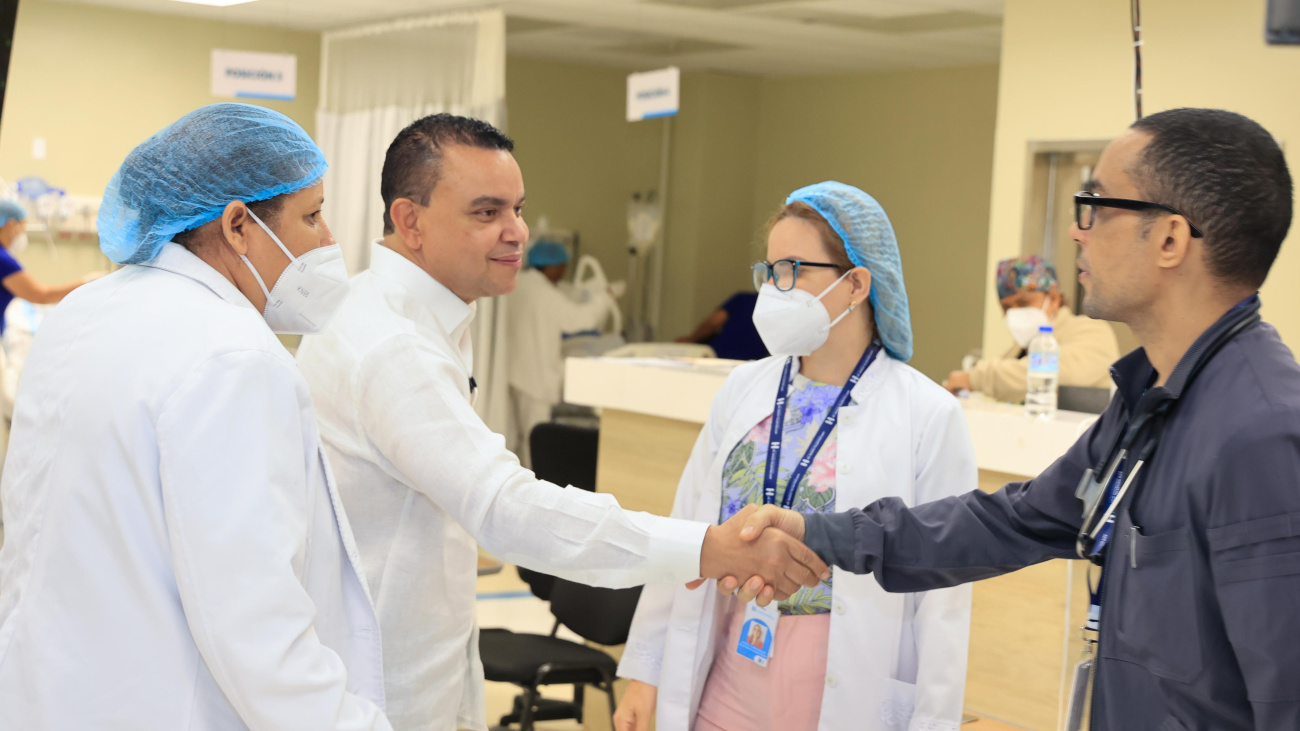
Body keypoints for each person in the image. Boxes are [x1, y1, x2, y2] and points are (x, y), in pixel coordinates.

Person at [732, 109, 1300, 730]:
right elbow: (1010, 522)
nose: (1077, 232)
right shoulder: (1149, 402)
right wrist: (819, 532)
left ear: (1170, 239)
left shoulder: (1261, 434)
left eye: (1096, 206)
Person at [294, 113, 827, 731]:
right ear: (410, 221)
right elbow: (505, 509)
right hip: (384, 694)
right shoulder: (393, 345)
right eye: (487, 212)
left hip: (403, 669)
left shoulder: (396, 314)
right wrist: (707, 548)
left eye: (518, 209)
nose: (517, 231)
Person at [0, 104, 393, 729]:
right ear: (238, 225)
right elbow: (255, 626)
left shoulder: (82, 312)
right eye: (312, 215)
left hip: (43, 696)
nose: (328, 241)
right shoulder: (233, 356)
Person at [614, 183, 974, 731]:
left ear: (856, 284)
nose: (773, 289)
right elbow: (686, 530)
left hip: (842, 683)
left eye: (792, 270)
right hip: (730, 665)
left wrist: (933, 721)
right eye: (769, 271)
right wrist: (646, 673)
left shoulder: (927, 414)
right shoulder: (744, 389)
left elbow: (943, 599)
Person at [942, 255, 1118, 400]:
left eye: (1024, 303)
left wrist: (975, 378)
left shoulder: (1092, 332)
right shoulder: (1016, 351)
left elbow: (1054, 372)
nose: (1015, 313)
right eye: (1006, 307)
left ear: (1054, 299)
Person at [506, 237, 616, 464]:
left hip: (515, 374)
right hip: (536, 379)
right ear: (553, 266)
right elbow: (580, 319)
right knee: (534, 441)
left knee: (518, 437)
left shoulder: (518, 284)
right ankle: (532, 480)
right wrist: (603, 299)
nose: (563, 273)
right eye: (562, 268)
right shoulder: (545, 294)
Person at [0, 200, 103, 331]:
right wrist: (87, 282)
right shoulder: (3, 260)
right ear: (11, 225)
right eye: (22, 227)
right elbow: (40, 295)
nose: (23, 233)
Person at [675, 291, 770, 361]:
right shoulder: (773, 308)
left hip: (718, 358)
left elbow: (713, 322)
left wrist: (691, 340)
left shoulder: (744, 299)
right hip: (752, 365)